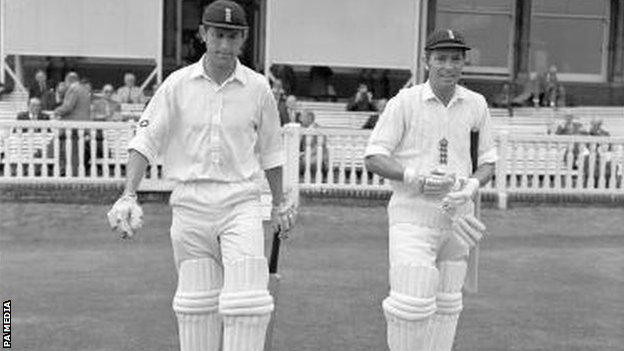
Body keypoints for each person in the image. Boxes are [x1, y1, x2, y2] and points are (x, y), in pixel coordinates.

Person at [106, 2, 296, 351]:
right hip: (190, 204)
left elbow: (271, 152)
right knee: (198, 305)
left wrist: (281, 202)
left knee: (247, 303)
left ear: (244, 39)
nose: (224, 46)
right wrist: (128, 194)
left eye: (233, 37)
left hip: (240, 202)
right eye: (218, 35)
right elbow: (145, 140)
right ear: (204, 35)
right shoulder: (177, 85)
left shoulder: (257, 88)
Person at [364, 29, 497, 351]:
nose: (448, 66)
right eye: (441, 59)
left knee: (448, 305)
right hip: (413, 216)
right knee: (409, 305)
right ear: (427, 61)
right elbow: (374, 157)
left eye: (455, 59)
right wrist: (416, 178)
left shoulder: (476, 104)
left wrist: (471, 186)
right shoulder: (405, 102)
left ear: (463, 62)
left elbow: (488, 162)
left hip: (458, 219)